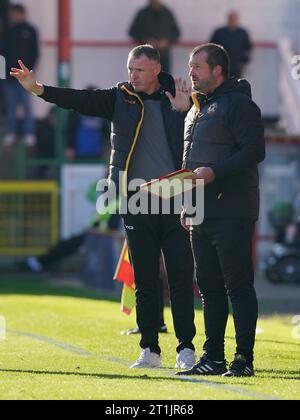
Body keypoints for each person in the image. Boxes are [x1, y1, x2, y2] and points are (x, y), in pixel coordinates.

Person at [11, 44, 196, 370]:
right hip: (136, 200)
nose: (132, 76)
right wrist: (38, 89)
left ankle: (186, 348)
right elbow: (78, 99)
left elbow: (200, 137)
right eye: (129, 69)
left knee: (180, 277)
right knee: (145, 279)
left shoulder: (180, 98)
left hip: (177, 199)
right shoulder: (119, 97)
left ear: (156, 68)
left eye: (139, 70)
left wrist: (185, 111)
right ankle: (150, 349)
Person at [174, 43, 265, 377]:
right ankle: (213, 358)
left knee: (237, 286)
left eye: (197, 66)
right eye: (190, 65)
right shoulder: (196, 108)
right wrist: (187, 204)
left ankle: (244, 359)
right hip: (200, 212)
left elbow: (254, 151)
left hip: (233, 209)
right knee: (209, 288)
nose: (191, 72)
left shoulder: (240, 105)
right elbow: (190, 163)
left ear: (218, 70)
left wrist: (215, 173)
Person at [2, 3, 39, 147]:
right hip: (10, 77)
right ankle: (10, 132)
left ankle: (29, 133)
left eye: (15, 14)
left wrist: (29, 72)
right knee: (11, 106)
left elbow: (35, 53)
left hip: (25, 77)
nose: (13, 17)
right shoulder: (8, 31)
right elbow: (2, 54)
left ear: (22, 14)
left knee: (27, 106)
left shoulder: (30, 30)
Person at [129, 0, 180, 73]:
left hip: (163, 56)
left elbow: (176, 33)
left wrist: (166, 41)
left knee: (165, 80)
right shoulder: (142, 13)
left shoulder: (167, 13)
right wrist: (147, 40)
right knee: (146, 80)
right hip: (145, 56)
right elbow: (133, 32)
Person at [65, 85, 110, 161]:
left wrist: (108, 149)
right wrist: (70, 146)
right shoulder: (75, 111)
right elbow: (70, 129)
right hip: (78, 154)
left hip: (98, 154)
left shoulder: (103, 112)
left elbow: (106, 131)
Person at [210, 11, 252, 78]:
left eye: (234, 19)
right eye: (231, 19)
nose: (233, 21)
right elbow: (211, 47)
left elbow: (248, 49)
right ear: (228, 19)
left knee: (236, 86)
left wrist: (244, 62)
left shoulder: (243, 33)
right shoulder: (219, 33)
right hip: (222, 67)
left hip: (237, 67)